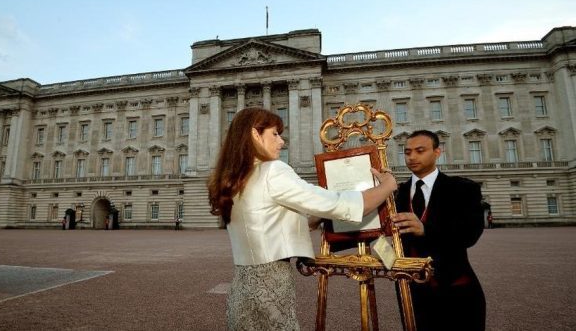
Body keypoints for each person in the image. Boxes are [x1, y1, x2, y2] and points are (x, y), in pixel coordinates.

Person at [208, 107, 397, 331]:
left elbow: (266, 224)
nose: (282, 142)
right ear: (254, 135)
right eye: (275, 134)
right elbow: (340, 204)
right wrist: (387, 186)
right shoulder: (273, 170)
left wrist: (315, 218)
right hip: (270, 282)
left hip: (242, 285)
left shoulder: (237, 177)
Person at [392, 130, 486, 330]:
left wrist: (425, 230)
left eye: (420, 151)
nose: (412, 157)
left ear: (437, 152)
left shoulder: (462, 189)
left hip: (455, 288)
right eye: (407, 152)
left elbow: (470, 234)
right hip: (411, 291)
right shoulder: (396, 194)